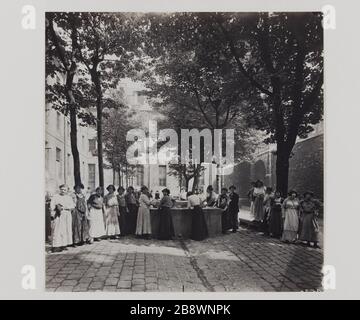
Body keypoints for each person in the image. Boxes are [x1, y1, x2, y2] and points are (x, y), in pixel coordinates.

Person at [50, 184, 75, 252]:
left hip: (66, 215)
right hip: (58, 215)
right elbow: (52, 205)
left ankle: (64, 244)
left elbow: (72, 206)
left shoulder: (69, 197)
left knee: (66, 229)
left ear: (67, 190)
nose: (63, 191)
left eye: (65, 190)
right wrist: (56, 208)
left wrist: (65, 207)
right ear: (59, 189)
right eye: (62, 189)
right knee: (57, 230)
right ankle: (55, 245)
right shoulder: (55, 196)